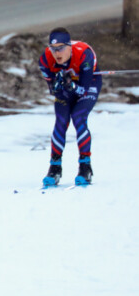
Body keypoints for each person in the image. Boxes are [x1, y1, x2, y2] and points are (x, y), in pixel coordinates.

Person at [38, 27, 102, 186]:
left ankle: (85, 166)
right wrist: (57, 85)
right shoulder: (45, 59)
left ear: (69, 46)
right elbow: (52, 89)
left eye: (60, 48)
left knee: (78, 117)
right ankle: (55, 168)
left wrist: (70, 84)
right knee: (61, 120)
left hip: (88, 84)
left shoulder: (84, 54)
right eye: (53, 49)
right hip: (68, 87)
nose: (56, 53)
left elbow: (83, 90)